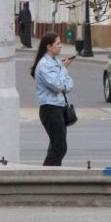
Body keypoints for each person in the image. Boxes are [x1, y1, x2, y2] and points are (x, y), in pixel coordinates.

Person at [31, 32, 74, 166]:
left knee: (57, 146)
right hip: (50, 109)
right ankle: (46, 177)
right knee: (59, 147)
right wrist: (64, 70)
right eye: (58, 44)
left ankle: (53, 176)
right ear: (49, 47)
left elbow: (69, 85)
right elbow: (57, 86)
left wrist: (63, 78)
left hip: (59, 108)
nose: (61, 46)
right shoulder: (44, 64)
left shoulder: (55, 62)